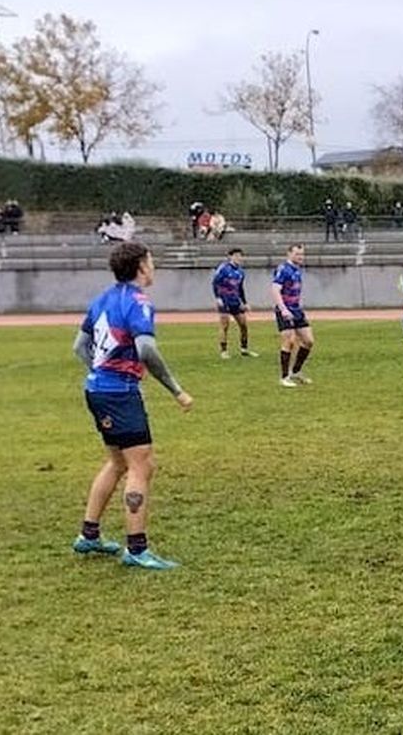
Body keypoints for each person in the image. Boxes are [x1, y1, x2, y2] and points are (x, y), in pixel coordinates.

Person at [71, 242, 193, 570]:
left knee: (117, 462)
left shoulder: (102, 299)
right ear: (141, 266)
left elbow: (80, 346)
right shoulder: (138, 302)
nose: (153, 267)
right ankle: (137, 549)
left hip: (97, 392)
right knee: (142, 466)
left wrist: (101, 374)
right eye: (151, 261)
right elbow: (147, 350)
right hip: (119, 395)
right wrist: (176, 390)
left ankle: (89, 535)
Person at [272, 244, 317, 387]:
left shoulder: (297, 270)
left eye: (302, 254)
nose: (300, 257)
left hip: (297, 310)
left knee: (309, 341)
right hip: (285, 310)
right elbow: (275, 290)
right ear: (289, 254)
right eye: (297, 254)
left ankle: (296, 372)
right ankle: (284, 377)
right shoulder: (283, 269)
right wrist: (283, 309)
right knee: (289, 341)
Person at [212, 248, 258, 359]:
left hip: (235, 301)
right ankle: (224, 351)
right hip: (224, 300)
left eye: (240, 256)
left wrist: (245, 302)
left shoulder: (240, 271)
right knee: (225, 325)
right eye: (236, 256)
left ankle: (244, 349)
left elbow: (240, 288)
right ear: (230, 257)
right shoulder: (223, 268)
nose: (238, 258)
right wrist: (218, 298)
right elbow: (215, 283)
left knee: (243, 325)